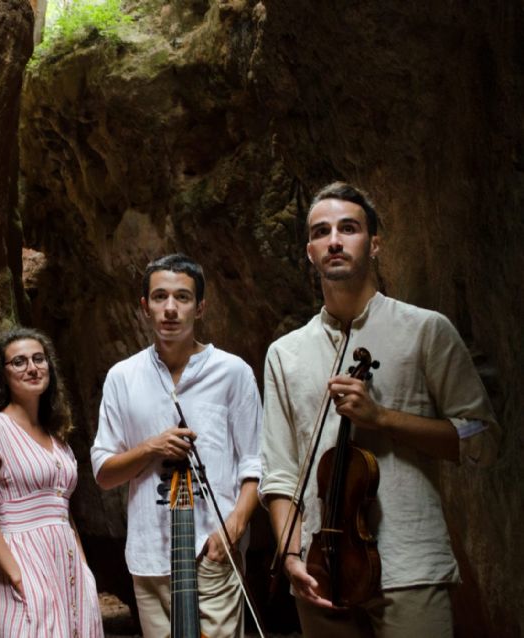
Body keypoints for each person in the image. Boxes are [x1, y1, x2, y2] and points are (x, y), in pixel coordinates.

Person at [260, 182, 499, 637]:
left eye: (348, 228)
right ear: (310, 251)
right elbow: (279, 469)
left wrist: (383, 418)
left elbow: (481, 437)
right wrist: (290, 556)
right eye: (321, 232)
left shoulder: (426, 330)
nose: (334, 240)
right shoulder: (284, 353)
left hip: (409, 566)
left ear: (374, 243)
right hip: (320, 570)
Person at [90, 253, 262, 638]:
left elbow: (255, 465)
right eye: (160, 297)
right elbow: (103, 472)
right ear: (144, 307)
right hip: (149, 556)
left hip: (212, 552)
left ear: (200, 307)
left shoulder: (233, 373)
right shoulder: (122, 376)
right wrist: (150, 448)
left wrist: (231, 531)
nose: (170, 308)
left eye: (182, 297)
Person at [0, 327, 103, 638]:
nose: (32, 367)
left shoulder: (57, 438)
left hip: (67, 563)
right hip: (21, 560)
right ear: (3, 374)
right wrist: (17, 575)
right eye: (19, 362)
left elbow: (63, 511)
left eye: (39, 359)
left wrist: (85, 571)